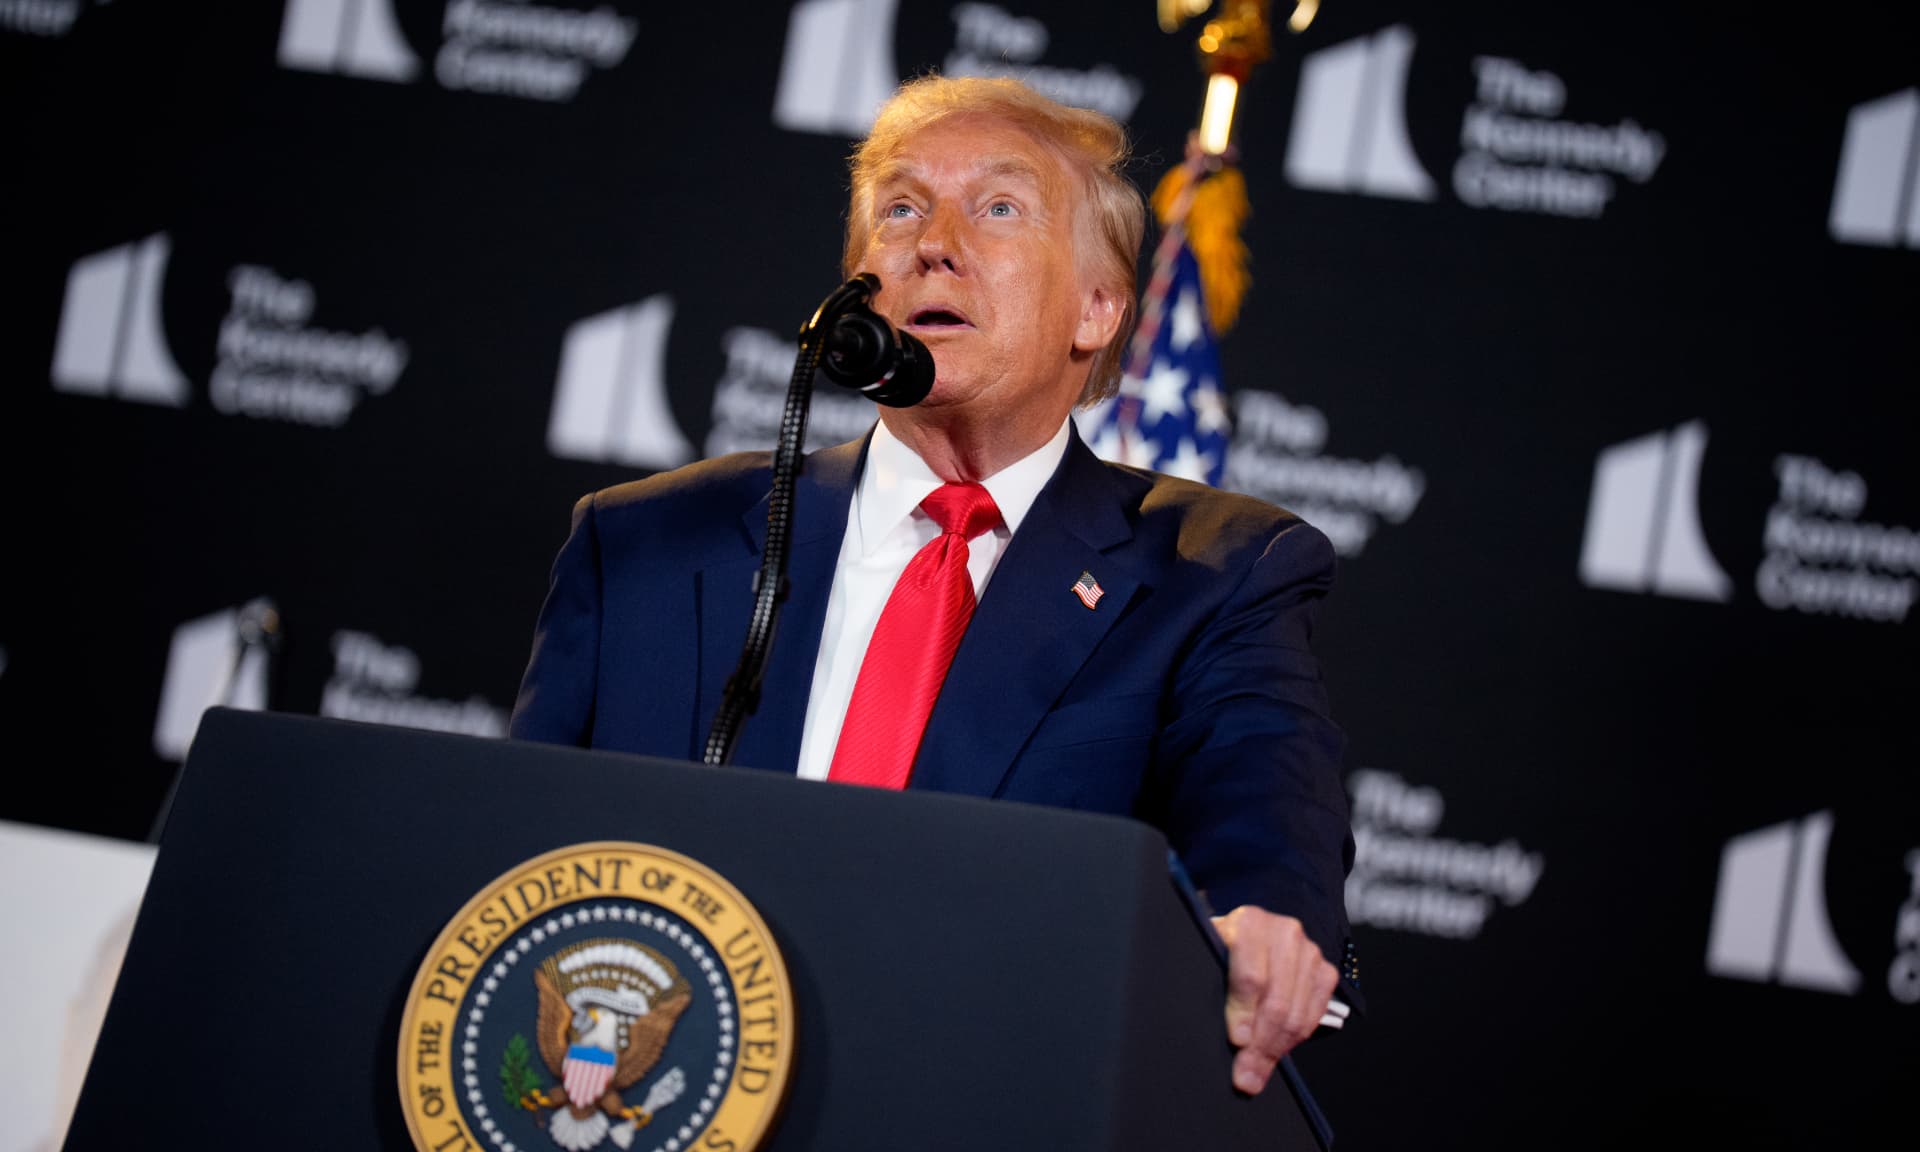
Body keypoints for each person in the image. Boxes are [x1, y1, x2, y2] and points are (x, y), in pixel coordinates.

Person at [510, 73, 1358, 1098]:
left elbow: (1263, 814)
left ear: (1098, 310)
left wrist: (1263, 919)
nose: (935, 242)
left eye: (999, 208)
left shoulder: (1217, 573)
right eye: (901, 208)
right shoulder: (644, 543)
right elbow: (516, 866)